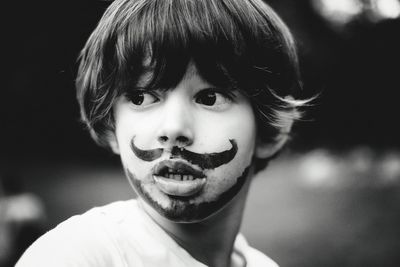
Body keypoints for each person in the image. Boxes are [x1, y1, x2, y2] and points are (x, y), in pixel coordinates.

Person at [17, 0, 307, 266]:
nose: (172, 129)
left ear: (272, 131)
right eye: (141, 97)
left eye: (210, 97)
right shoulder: (75, 256)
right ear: (110, 126)